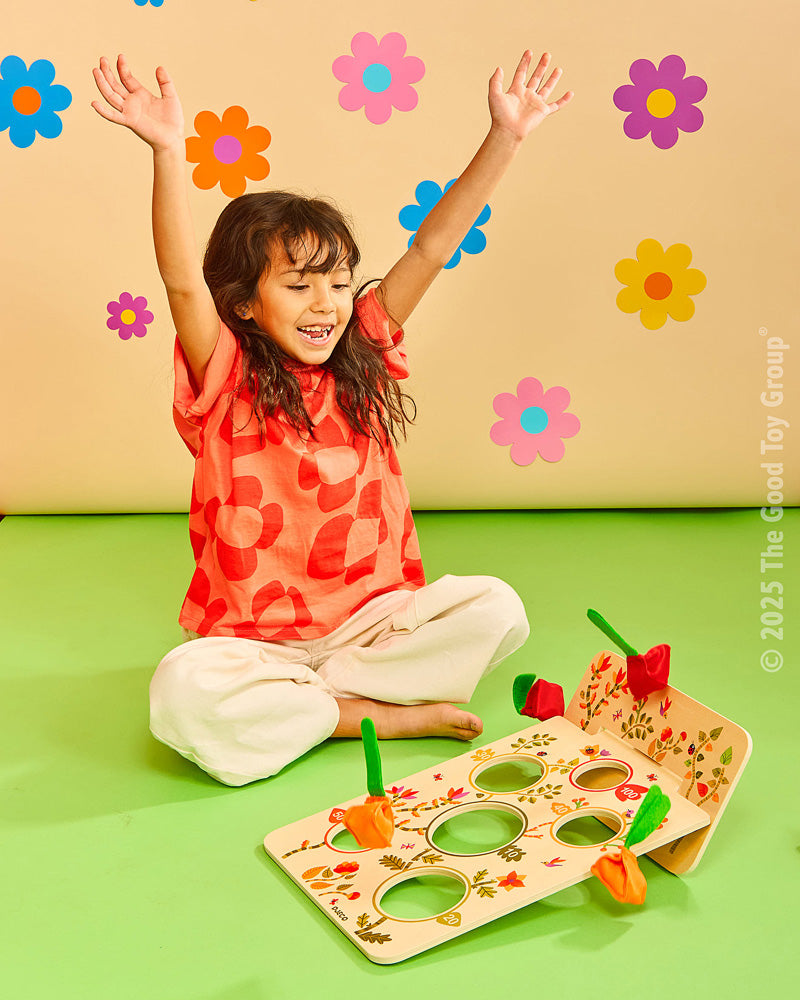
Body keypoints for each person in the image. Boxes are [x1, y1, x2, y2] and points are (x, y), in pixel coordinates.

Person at [91, 50, 573, 786]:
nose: (326, 304)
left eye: (339, 282)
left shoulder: (367, 349)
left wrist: (505, 136)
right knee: (181, 696)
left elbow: (433, 246)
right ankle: (365, 714)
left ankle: (324, 700)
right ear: (245, 303)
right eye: (299, 285)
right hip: (257, 647)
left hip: (369, 628)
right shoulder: (226, 374)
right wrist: (166, 151)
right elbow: (181, 281)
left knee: (497, 609)